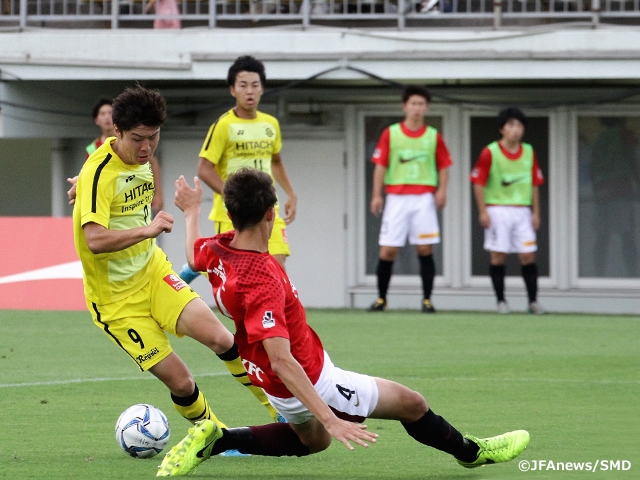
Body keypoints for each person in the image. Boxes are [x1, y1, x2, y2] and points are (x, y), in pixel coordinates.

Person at [158, 167, 530, 477]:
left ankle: (219, 439)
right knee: (412, 405)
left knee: (311, 441)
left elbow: (194, 253)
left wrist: (192, 210)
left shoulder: (221, 247)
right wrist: (330, 417)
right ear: (271, 213)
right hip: (313, 378)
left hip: (268, 380)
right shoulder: (261, 280)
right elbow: (283, 359)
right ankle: (471, 452)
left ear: (231, 215)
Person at [72, 85, 283, 450]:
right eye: (137, 139)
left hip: (153, 274)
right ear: (117, 133)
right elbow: (94, 240)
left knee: (223, 339)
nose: (146, 148)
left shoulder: (139, 161)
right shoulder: (98, 173)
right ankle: (218, 439)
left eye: (153, 138)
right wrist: (148, 229)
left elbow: (105, 176)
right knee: (182, 383)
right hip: (116, 303)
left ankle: (279, 412)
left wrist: (85, 184)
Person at [177, 55, 297, 283]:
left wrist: (291, 193)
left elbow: (276, 161)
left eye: (255, 85)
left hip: (268, 209)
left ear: (262, 89)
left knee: (277, 270)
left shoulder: (270, 124)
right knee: (238, 277)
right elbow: (204, 168)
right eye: (243, 85)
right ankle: (194, 266)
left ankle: (272, 319)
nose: (249, 91)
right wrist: (235, 196)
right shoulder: (223, 125)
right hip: (232, 212)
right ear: (233, 90)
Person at [368, 85, 452, 313]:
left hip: (423, 198)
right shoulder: (391, 133)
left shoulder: (433, 136)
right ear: (405, 106)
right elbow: (381, 165)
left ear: (427, 107)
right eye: (413, 104)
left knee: (425, 249)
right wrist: (377, 194)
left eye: (421, 104)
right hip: (396, 197)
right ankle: (381, 298)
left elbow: (444, 166)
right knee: (387, 250)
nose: (416, 108)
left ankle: (427, 299)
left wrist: (442, 190)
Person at [470, 107, 546, 314]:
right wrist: (483, 211)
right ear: (502, 129)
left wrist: (536, 212)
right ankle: (501, 301)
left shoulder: (529, 152)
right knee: (498, 256)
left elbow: (535, 183)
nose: (515, 130)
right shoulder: (490, 152)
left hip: (522, 211)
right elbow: (478, 182)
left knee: (528, 256)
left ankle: (533, 301)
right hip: (498, 210)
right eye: (511, 125)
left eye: (519, 126)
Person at [68, 97, 164, 215]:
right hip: (111, 200)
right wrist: (80, 184)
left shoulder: (132, 142)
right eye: (102, 114)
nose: (107, 117)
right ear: (96, 120)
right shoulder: (93, 148)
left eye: (110, 112)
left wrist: (158, 194)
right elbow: (89, 173)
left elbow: (152, 162)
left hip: (135, 197)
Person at [589, 117, 639, 277]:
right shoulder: (624, 135)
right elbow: (633, 161)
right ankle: (634, 276)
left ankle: (598, 275)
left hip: (602, 192)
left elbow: (591, 168)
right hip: (621, 190)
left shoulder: (599, 140)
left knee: (603, 236)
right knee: (627, 236)